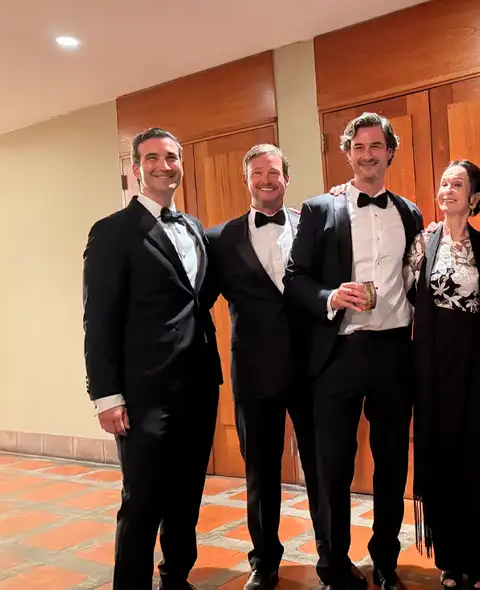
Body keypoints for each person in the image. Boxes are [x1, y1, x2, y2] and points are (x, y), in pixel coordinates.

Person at [284, 113, 423, 590]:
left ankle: (385, 558)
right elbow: (295, 279)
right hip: (337, 355)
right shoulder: (319, 209)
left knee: (391, 464)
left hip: (392, 352)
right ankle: (333, 564)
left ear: (390, 152)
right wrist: (328, 297)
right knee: (333, 466)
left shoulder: (409, 211)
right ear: (347, 153)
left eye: (376, 146)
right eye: (359, 147)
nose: (368, 155)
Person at [82, 127, 222, 590]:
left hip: (199, 387)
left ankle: (176, 576)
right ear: (136, 169)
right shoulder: (112, 232)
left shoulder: (196, 228)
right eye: (153, 158)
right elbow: (98, 319)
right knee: (142, 500)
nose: (164, 165)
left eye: (172, 157)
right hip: (144, 394)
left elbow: (197, 298)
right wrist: (106, 396)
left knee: (187, 495)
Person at [202, 144, 324, 590]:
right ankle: (264, 561)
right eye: (257, 173)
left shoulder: (314, 226)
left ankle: (330, 557)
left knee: (321, 467)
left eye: (274, 172)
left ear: (286, 178)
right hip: (253, 374)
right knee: (260, 472)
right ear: (246, 179)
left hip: (312, 370)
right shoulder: (221, 239)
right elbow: (199, 305)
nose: (266, 180)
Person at [407, 161, 480, 589]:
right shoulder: (421, 244)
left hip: (479, 366)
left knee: (478, 461)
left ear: (475, 198)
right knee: (442, 458)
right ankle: (449, 558)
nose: (447, 189)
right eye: (443, 182)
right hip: (433, 366)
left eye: (457, 184)